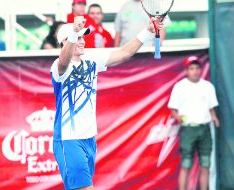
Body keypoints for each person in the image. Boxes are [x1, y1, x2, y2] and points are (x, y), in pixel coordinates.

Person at [51, 16, 163, 190]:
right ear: (64, 42)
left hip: (89, 139)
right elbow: (64, 61)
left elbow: (124, 53)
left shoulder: (91, 58)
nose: (81, 41)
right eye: (77, 37)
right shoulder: (58, 66)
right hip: (68, 140)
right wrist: (74, 32)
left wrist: (148, 31)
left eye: (82, 37)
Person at [168, 56, 220, 190]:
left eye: (197, 68)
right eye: (192, 68)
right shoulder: (179, 87)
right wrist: (178, 117)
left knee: (205, 164)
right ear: (186, 71)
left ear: (201, 69)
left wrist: (214, 117)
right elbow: (173, 109)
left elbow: (211, 107)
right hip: (188, 130)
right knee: (186, 164)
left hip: (204, 129)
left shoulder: (208, 86)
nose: (195, 71)